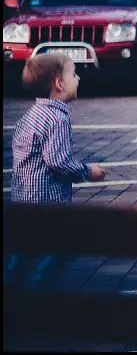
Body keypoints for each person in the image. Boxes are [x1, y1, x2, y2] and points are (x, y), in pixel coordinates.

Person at [6, 54, 106, 287]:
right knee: (68, 243)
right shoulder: (56, 119)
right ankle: (39, 288)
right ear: (59, 83)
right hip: (47, 203)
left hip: (24, 200)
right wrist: (87, 171)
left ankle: (12, 292)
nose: (78, 78)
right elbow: (58, 161)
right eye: (73, 74)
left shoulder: (31, 115)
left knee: (24, 251)